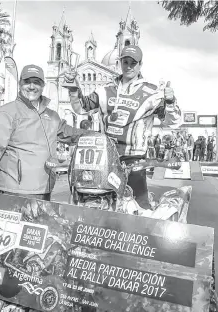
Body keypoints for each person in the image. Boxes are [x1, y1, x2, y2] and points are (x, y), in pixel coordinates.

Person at [64, 45, 181, 208]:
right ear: (120, 63)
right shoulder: (105, 91)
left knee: (139, 207)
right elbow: (81, 108)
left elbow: (172, 122)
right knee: (103, 205)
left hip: (134, 160)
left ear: (140, 64)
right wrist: (72, 86)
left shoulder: (152, 93)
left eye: (133, 63)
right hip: (107, 159)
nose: (129, 66)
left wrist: (170, 102)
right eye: (125, 62)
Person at [0, 64, 92, 209]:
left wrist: (96, 136)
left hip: (45, 190)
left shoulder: (51, 116)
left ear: (43, 85)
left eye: (36, 82)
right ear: (20, 84)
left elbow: (68, 133)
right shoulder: (6, 113)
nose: (31, 86)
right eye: (27, 81)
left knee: (39, 230)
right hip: (16, 191)